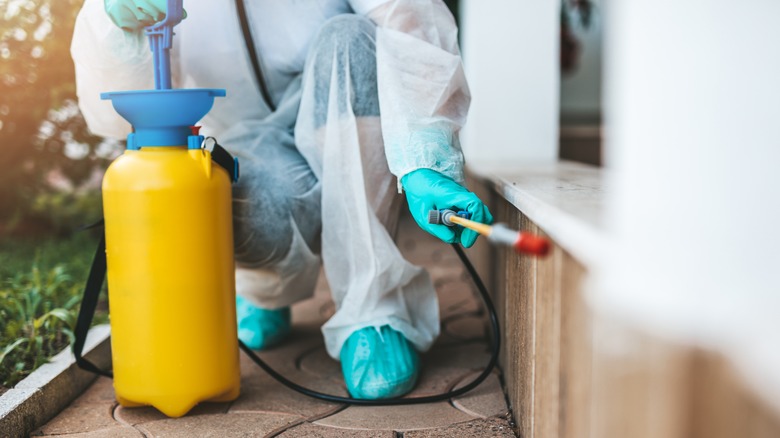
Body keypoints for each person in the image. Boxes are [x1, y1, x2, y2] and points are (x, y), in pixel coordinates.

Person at [71, 0, 492, 400]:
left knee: (351, 37)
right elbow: (111, 114)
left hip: (346, 117)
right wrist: (117, 29)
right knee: (240, 207)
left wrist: (424, 158)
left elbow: (410, 22)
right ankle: (263, 291)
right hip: (248, 146)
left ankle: (373, 310)